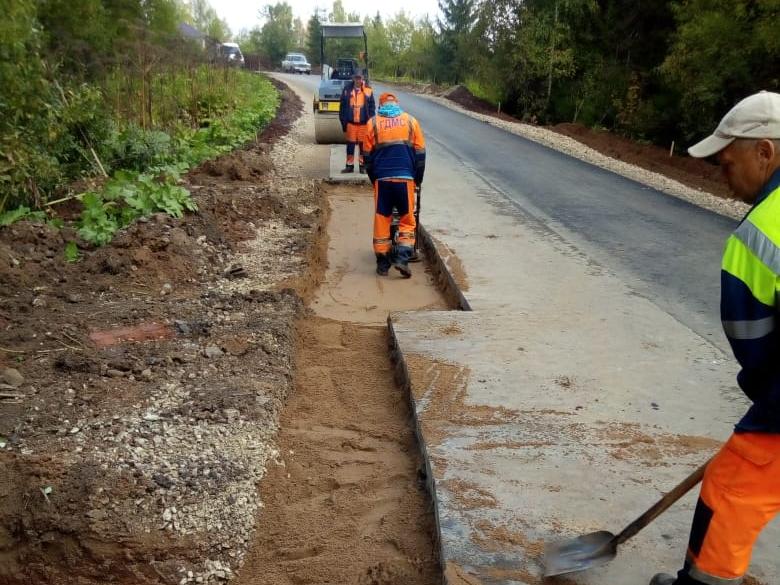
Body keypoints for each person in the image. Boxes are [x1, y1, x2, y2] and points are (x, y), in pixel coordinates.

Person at [651, 90, 780, 585]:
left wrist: (766, 410)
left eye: (727, 166)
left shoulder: (761, 233)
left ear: (764, 152)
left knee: (729, 492)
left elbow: (757, 346)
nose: (725, 183)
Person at [363, 92, 426, 277]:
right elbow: (420, 154)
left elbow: (367, 157)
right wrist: (418, 178)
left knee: (382, 219)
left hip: (382, 180)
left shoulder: (373, 123)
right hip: (405, 179)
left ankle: (383, 264)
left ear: (380, 105)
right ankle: (402, 257)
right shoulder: (410, 121)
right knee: (407, 219)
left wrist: (374, 178)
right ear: (397, 104)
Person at [338, 72, 375, 174]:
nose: (358, 80)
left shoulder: (368, 90)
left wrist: (370, 120)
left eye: (360, 78)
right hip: (351, 123)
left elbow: (372, 107)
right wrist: (343, 120)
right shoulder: (347, 90)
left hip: (364, 124)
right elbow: (342, 107)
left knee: (363, 146)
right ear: (353, 78)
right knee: (350, 146)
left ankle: (362, 166)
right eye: (356, 78)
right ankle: (349, 166)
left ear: (363, 78)